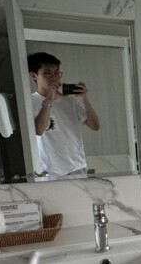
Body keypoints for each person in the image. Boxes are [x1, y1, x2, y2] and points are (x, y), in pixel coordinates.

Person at [28, 51, 100, 179]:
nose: (54, 77)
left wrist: (84, 99)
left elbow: (95, 126)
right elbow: (38, 130)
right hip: (49, 170)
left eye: (56, 73)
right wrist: (49, 100)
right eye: (47, 73)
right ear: (34, 76)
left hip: (77, 167)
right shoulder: (30, 102)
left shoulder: (71, 100)